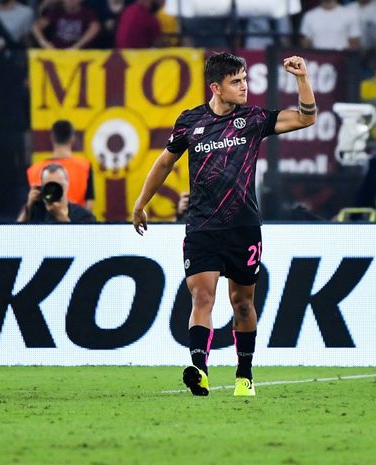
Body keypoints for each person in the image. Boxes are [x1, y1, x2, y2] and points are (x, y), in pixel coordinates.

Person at [132, 52, 316, 397]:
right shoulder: (190, 122)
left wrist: (302, 79)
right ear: (215, 87)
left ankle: (244, 376)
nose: (244, 86)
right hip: (202, 226)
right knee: (202, 296)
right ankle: (199, 370)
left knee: (242, 303)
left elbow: (306, 119)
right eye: (236, 81)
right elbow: (164, 164)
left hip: (243, 227)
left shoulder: (254, 119)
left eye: (245, 80)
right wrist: (142, 203)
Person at [25, 120, 95, 210]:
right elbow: (89, 206)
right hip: (76, 222)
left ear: (52, 138)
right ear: (72, 139)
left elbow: (31, 205)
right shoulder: (85, 167)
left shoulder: (33, 170)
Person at [18, 164, 96, 223]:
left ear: (67, 184)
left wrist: (60, 216)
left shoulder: (83, 215)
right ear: (42, 187)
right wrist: (29, 206)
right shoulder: (34, 210)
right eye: (49, 186)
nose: (54, 191)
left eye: (58, 185)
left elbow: (84, 242)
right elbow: (16, 234)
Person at [31, 0, 101, 49]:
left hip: (77, 54)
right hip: (56, 51)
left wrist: (76, 47)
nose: (71, 0)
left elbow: (95, 27)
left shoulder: (87, 12)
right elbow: (36, 26)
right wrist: (44, 43)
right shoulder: (57, 10)